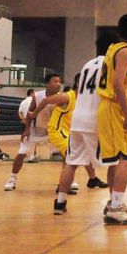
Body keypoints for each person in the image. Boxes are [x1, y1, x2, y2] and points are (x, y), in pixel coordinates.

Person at [53, 33, 115, 215]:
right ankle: (115, 204)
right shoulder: (110, 64)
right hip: (95, 119)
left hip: (77, 118)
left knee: (71, 162)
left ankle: (60, 203)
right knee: (115, 162)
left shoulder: (87, 65)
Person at [32, 76, 108, 214]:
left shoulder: (85, 100)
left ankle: (91, 179)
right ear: (80, 83)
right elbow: (46, 100)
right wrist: (33, 114)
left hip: (71, 131)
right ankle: (63, 189)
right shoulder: (67, 96)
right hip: (57, 130)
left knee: (81, 154)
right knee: (70, 157)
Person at [98, 13, 127, 225]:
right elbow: (117, 83)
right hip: (113, 108)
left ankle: (114, 202)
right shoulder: (125, 52)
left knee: (116, 161)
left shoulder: (113, 48)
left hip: (109, 107)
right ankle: (115, 206)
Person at [4, 74, 62, 190]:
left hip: (54, 130)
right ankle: (12, 179)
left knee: (67, 153)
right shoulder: (37, 96)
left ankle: (69, 181)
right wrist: (26, 130)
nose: (58, 84)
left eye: (59, 81)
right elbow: (29, 113)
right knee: (21, 153)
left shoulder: (61, 97)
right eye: (55, 81)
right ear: (47, 84)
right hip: (36, 129)